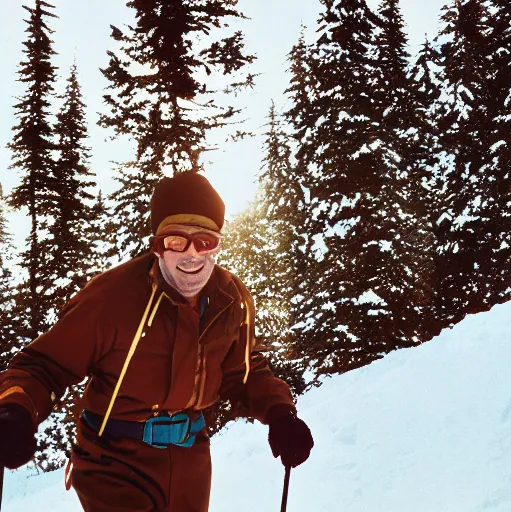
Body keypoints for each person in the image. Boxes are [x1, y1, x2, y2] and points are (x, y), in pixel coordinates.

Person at [0, 172, 314, 511]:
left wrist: (280, 413)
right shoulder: (112, 298)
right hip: (113, 462)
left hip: (190, 461)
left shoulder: (230, 299)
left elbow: (244, 372)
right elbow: (43, 365)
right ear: (158, 245)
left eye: (205, 241)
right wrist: (16, 410)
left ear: (218, 244)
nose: (192, 254)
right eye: (177, 240)